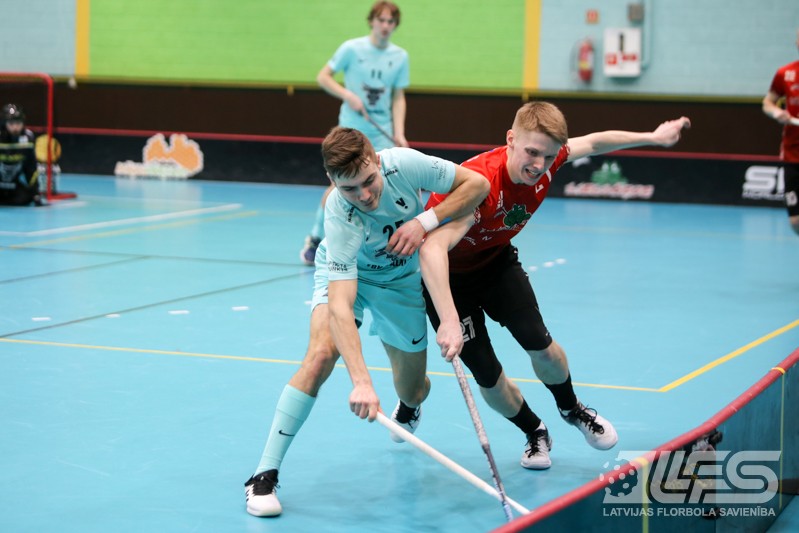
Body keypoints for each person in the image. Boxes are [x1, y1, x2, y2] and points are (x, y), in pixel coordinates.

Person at [420, 101, 691, 470]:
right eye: (532, 153)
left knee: (542, 347)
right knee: (487, 375)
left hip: (495, 262)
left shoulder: (550, 158)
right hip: (447, 279)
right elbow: (432, 248)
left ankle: (572, 408)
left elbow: (594, 142)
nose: (539, 165)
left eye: (548, 157)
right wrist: (449, 319)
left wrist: (653, 137)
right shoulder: (480, 184)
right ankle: (535, 432)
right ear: (510, 139)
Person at [245, 126, 489, 517]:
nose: (364, 196)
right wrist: (361, 382)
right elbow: (341, 305)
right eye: (349, 189)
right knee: (320, 356)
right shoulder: (339, 213)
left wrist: (424, 222)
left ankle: (409, 406)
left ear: (377, 159)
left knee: (414, 389)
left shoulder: (405, 165)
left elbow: (477, 184)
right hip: (348, 276)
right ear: (331, 180)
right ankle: (263, 474)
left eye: (368, 181)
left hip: (401, 281)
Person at [300, 1, 410, 265]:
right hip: (351, 131)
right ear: (372, 21)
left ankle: (380, 245)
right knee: (338, 187)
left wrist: (400, 132)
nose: (385, 26)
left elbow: (398, 97)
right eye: (381, 20)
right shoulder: (351, 48)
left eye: (390, 22)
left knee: (382, 186)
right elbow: (323, 77)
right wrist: (348, 95)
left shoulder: (400, 57)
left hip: (381, 134)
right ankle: (315, 238)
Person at [762, 27, 799, 236]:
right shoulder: (785, 73)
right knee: (795, 221)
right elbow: (767, 103)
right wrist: (777, 113)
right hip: (793, 155)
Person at [0, 103, 44, 206]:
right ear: (4, 123)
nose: (15, 127)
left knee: (27, 198)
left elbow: (31, 168)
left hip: (13, 186)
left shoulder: (28, 139)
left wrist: (35, 193)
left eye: (18, 123)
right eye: (11, 123)